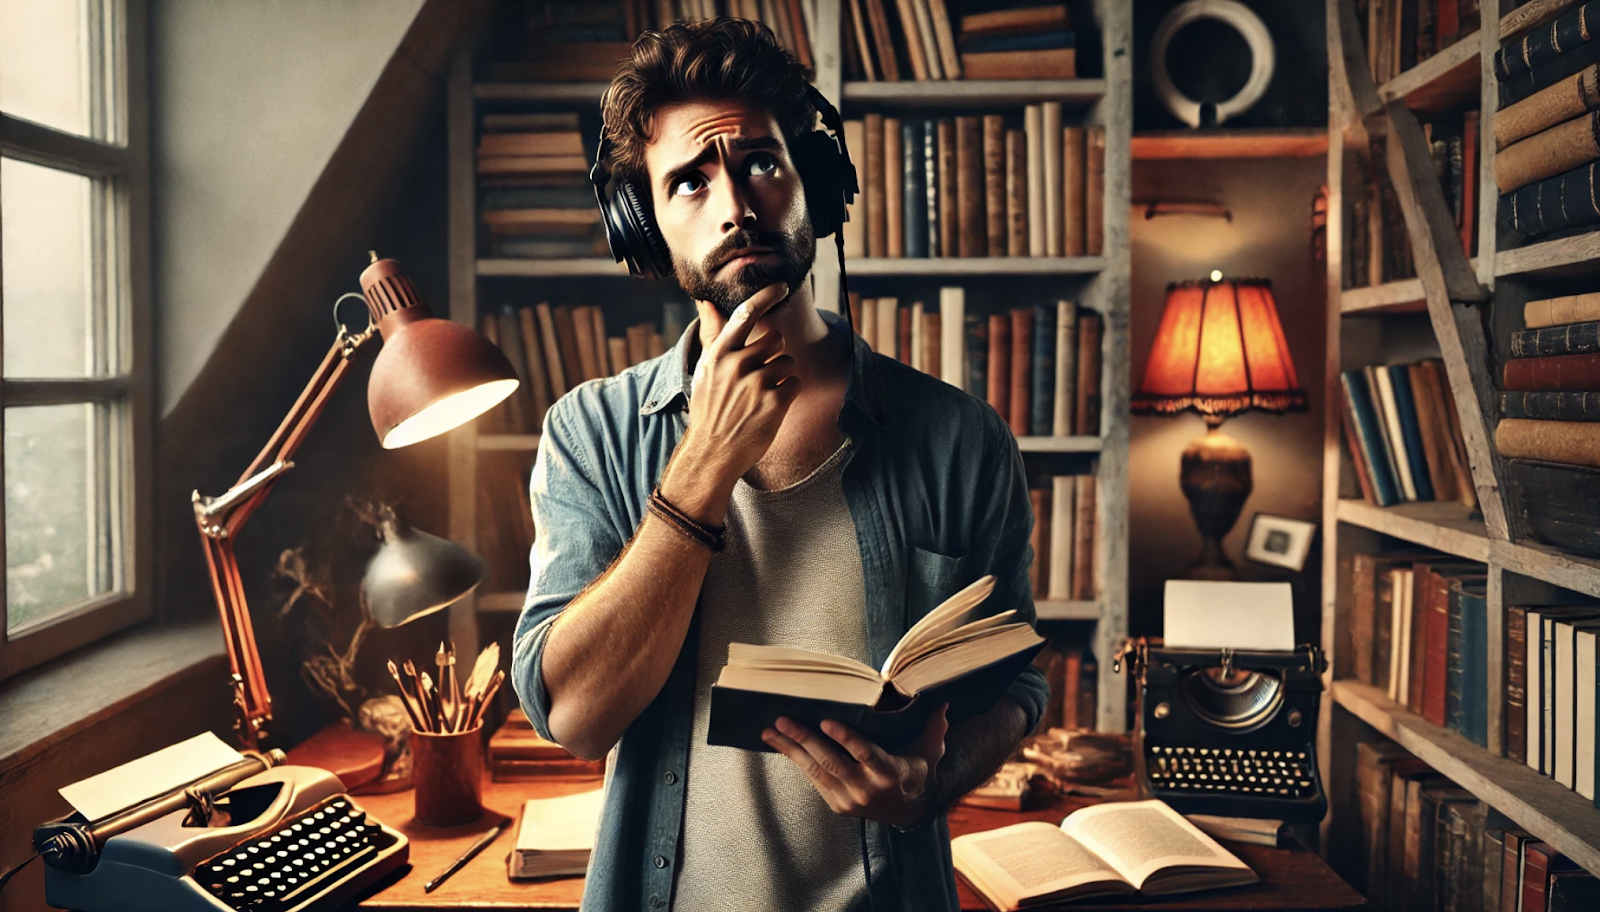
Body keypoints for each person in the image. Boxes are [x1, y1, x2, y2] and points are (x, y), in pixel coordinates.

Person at [510, 17, 1048, 912]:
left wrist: (934, 783)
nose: (735, 206)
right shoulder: (589, 433)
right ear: (646, 223)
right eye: (689, 181)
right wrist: (701, 470)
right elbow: (574, 717)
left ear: (815, 185)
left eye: (760, 162)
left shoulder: (961, 438)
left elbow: (1016, 683)